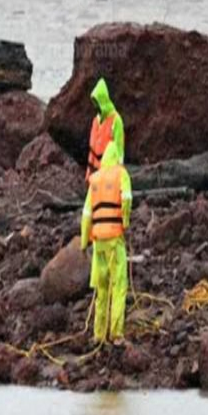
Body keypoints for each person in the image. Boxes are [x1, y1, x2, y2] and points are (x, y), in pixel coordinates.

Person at [80, 142, 132, 345]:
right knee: (118, 285)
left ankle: (98, 335)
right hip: (114, 238)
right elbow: (126, 198)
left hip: (98, 241)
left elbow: (86, 215)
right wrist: (125, 222)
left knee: (101, 288)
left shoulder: (95, 180)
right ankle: (116, 334)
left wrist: (84, 243)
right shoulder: (121, 174)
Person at [85, 77, 125, 183]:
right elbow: (92, 150)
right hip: (95, 174)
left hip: (109, 174)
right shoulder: (96, 121)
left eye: (96, 102)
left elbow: (119, 151)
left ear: (102, 100)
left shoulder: (116, 120)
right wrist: (88, 173)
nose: (94, 106)